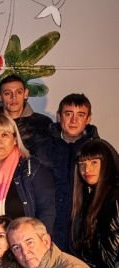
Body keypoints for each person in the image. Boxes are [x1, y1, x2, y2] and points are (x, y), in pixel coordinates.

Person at [41, 93, 101, 251]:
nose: (74, 120)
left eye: (80, 115)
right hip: (49, 234)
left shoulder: (100, 151)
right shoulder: (42, 150)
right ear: (59, 116)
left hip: (87, 236)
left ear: (88, 119)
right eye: (68, 114)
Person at [71, 139, 118, 268]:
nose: (87, 169)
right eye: (82, 163)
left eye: (94, 162)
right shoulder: (86, 197)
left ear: (107, 163)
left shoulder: (115, 196)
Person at [0, 74, 51, 158]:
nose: (14, 97)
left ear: (25, 93)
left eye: (19, 92)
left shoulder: (43, 124)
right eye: (7, 93)